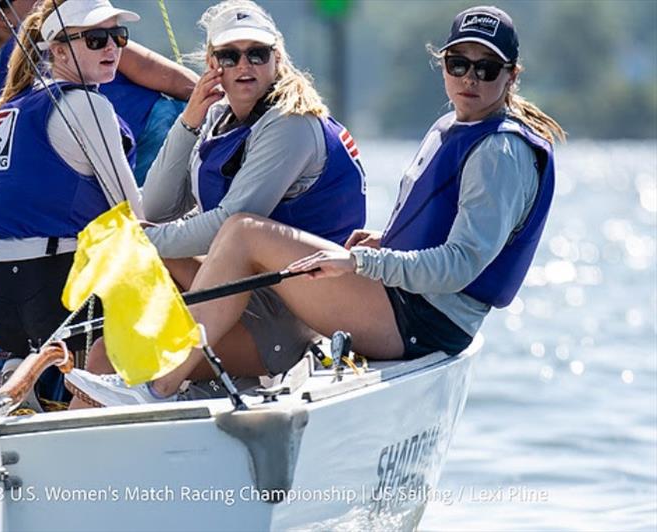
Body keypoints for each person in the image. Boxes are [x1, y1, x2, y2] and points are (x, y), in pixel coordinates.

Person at [66, 4, 565, 406]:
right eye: (458, 64)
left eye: (487, 68)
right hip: (394, 298)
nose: (469, 78)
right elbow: (155, 207)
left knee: (240, 231)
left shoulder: (501, 150)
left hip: (423, 321)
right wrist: (187, 125)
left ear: (512, 75)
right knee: (106, 355)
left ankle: (158, 388)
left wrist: (362, 260)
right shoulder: (453, 126)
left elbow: (460, 266)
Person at [65, 0, 367, 407]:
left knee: (109, 353)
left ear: (277, 59)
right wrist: (189, 119)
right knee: (110, 337)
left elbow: (230, 223)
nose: (244, 65)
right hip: (238, 293)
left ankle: (126, 426)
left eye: (257, 54)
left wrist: (138, 242)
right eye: (229, 55)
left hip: (287, 319)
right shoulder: (218, 117)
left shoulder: (290, 122)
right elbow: (154, 208)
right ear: (211, 63)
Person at [0, 0, 142, 365]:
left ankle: (24, 382)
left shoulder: (11, 107)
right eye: (97, 38)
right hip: (59, 291)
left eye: (118, 36)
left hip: (2, 296)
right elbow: (132, 213)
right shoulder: (87, 105)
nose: (112, 47)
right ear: (59, 50)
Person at [0, 0, 199, 183]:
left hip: (102, 168)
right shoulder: (68, 29)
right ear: (1, 17)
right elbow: (152, 69)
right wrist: (218, 103)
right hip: (151, 134)